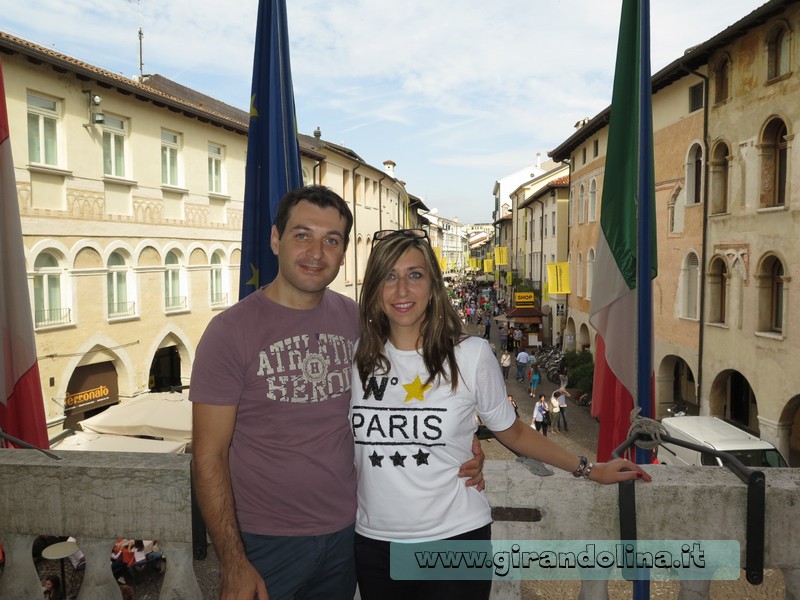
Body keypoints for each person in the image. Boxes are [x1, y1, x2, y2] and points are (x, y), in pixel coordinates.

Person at [190, 187, 483, 600]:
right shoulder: (229, 333)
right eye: (302, 235)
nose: (316, 252)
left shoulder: (358, 322)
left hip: (347, 536)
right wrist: (233, 562)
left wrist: (461, 441)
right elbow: (207, 455)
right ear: (275, 239)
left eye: (332, 240)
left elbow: (409, 390)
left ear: (344, 252)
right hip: (264, 541)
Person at [351, 229, 651, 600]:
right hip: (375, 541)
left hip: (455, 540)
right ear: (374, 288)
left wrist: (589, 468)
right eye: (389, 276)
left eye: (414, 275)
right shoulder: (357, 359)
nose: (401, 290)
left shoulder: (471, 354)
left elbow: (513, 432)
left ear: (433, 286)